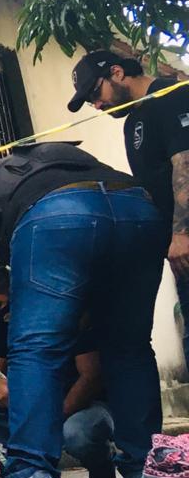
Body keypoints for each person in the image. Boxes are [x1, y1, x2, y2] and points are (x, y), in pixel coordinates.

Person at [0, 141, 165, 478]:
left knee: (35, 348)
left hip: (59, 220)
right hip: (138, 208)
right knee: (130, 347)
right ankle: (145, 469)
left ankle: (30, 476)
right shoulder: (84, 166)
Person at [71, 50, 189, 382]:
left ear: (118, 73)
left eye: (96, 93)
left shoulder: (172, 95)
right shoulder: (133, 122)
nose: (96, 105)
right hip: (176, 249)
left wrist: (182, 234)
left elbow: (185, 165)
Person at [0, 263, 117, 478]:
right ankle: (29, 472)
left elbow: (91, 377)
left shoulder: (62, 309)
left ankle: (102, 466)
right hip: (38, 401)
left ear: (15, 291)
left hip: (85, 404)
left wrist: (54, 418)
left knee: (76, 434)